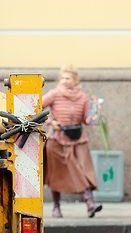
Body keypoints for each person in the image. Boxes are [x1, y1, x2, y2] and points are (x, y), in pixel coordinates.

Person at [43, 64, 103, 218]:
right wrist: (50, 121)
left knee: (83, 171)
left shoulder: (83, 97)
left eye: (68, 78)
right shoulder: (54, 94)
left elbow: (86, 120)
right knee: (56, 174)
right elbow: (36, 106)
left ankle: (90, 204)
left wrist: (95, 112)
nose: (64, 80)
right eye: (62, 78)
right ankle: (56, 207)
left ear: (75, 80)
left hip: (78, 139)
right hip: (57, 139)